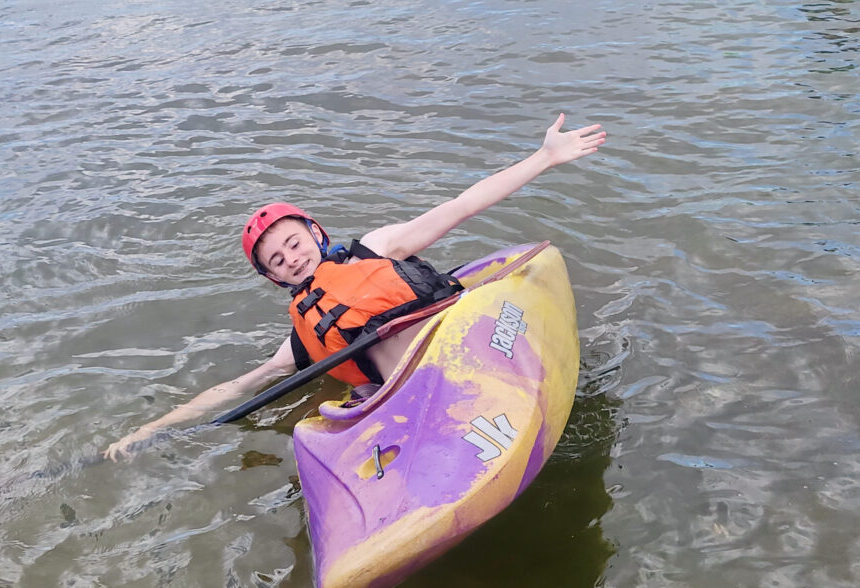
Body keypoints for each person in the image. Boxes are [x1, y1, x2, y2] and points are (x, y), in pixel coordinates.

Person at [104, 113, 605, 461]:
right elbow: (238, 388)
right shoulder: (303, 339)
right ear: (274, 278)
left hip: (463, 353)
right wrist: (148, 431)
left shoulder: (377, 247)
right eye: (277, 260)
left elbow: (462, 205)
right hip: (408, 401)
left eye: (294, 244)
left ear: (316, 234)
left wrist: (544, 158)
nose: (291, 259)